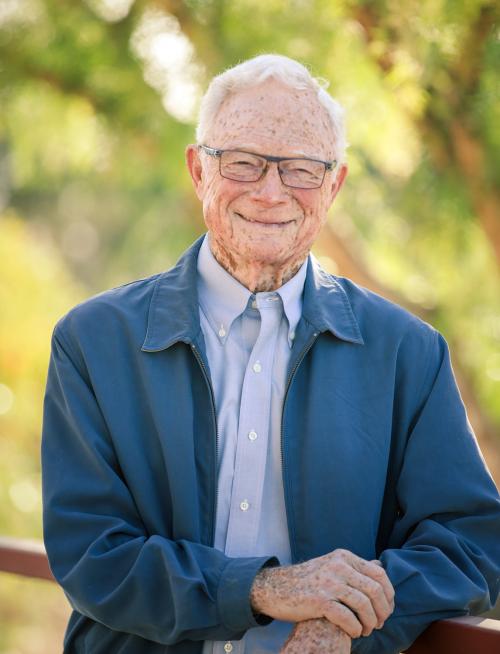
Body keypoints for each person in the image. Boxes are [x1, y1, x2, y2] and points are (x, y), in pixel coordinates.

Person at [42, 54, 500, 654]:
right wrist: (260, 588)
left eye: (303, 169)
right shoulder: (92, 341)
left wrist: (352, 613)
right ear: (198, 170)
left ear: (333, 185)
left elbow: (471, 544)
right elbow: (92, 554)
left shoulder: (409, 353)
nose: (271, 190)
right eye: (243, 163)